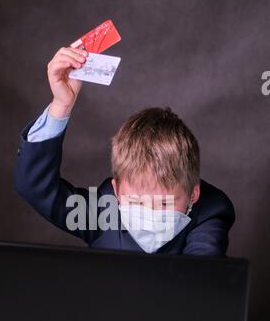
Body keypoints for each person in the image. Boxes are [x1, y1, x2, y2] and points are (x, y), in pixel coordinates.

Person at [14, 46, 235, 255]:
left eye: (166, 203)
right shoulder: (102, 213)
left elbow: (204, 276)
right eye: (136, 202)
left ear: (193, 194)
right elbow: (35, 186)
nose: (151, 215)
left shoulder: (209, 213)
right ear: (117, 191)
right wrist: (61, 104)